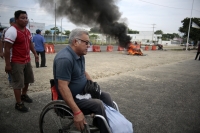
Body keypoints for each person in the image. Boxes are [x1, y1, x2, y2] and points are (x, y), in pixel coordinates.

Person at [53, 28, 114, 133]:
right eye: (86, 42)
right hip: (71, 99)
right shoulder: (65, 59)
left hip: (82, 94)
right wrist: (76, 112)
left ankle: (110, 124)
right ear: (76, 42)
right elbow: (62, 87)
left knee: (106, 96)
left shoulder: (80, 55)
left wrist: (93, 85)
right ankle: (106, 130)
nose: (89, 45)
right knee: (97, 104)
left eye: (89, 43)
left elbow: (83, 72)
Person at [4, 10, 39, 112]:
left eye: (26, 18)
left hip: (27, 60)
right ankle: (18, 103)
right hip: (16, 61)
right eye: (22, 18)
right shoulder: (12, 31)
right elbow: (7, 49)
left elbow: (30, 43)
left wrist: (35, 54)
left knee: (28, 79)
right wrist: (7, 65)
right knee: (18, 83)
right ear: (16, 19)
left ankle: (24, 95)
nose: (25, 20)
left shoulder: (27, 31)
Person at [1, 17, 16, 85]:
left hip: (14, 51)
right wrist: (1, 51)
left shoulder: (18, 29)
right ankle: (11, 80)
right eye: (13, 22)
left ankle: (13, 80)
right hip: (9, 51)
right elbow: (2, 41)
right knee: (9, 64)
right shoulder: (7, 30)